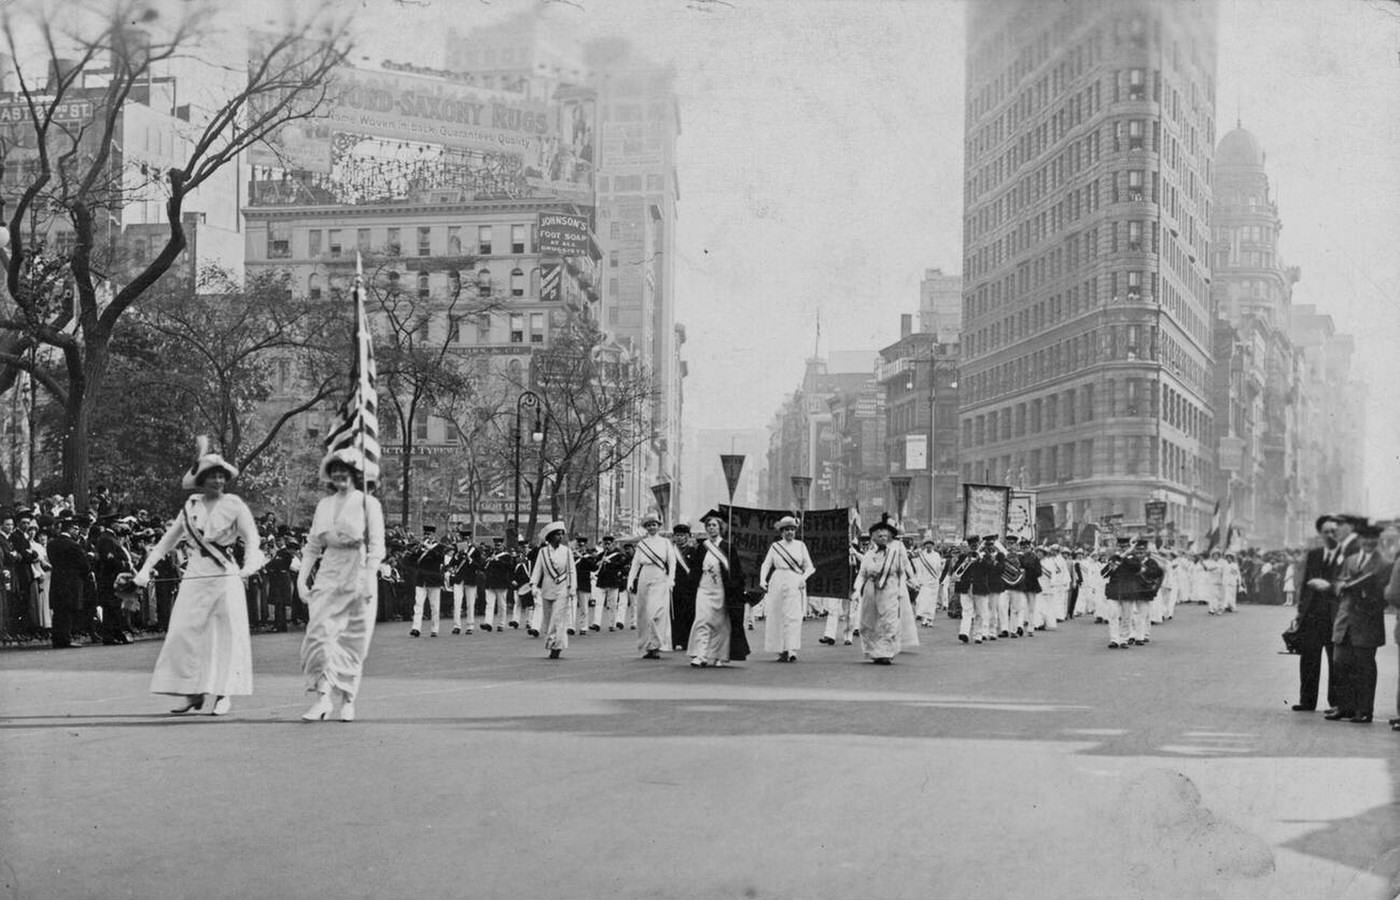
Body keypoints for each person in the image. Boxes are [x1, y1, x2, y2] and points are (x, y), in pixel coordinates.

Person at [133, 438, 265, 716]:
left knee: (225, 634)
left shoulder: (234, 504)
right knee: (184, 632)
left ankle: (223, 694)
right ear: (201, 480)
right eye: (212, 476)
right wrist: (145, 569)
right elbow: (166, 543)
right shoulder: (190, 506)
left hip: (225, 575)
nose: (217, 480)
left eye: (221, 476)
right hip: (195, 573)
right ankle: (193, 692)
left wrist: (250, 563)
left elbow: (251, 536)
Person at [297, 448, 385, 723]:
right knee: (318, 636)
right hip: (328, 575)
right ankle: (322, 698)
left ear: (356, 474)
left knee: (352, 640)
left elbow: (376, 547)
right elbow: (312, 546)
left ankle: (347, 698)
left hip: (358, 575)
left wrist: (370, 579)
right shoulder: (323, 505)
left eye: (345, 470)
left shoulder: (368, 504)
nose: (339, 474)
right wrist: (302, 580)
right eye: (335, 470)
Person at [1324, 524, 1390, 724]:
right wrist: (1340, 586)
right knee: (1340, 664)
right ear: (1359, 539)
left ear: (1377, 540)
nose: (1369, 542)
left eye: (1373, 539)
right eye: (1365, 538)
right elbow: (1337, 583)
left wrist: (1366, 592)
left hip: (1367, 623)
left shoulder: (1385, 564)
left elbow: (1385, 597)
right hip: (1345, 622)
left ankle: (1364, 710)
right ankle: (1344, 707)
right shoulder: (1351, 560)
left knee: (1364, 668)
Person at [1292, 515, 1346, 713]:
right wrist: (1300, 612)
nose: (1331, 535)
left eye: (1334, 531)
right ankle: (1307, 701)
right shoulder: (1314, 555)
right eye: (1326, 532)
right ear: (1320, 534)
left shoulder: (1347, 555)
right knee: (1308, 659)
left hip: (1336, 617)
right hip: (1312, 617)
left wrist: (1329, 587)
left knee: (1336, 661)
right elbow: (1305, 585)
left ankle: (1336, 703)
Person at [854, 515, 919, 664]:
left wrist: (913, 580)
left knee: (888, 621)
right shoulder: (869, 555)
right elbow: (862, 575)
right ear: (873, 537)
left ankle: (886, 653)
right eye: (879, 535)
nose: (883, 537)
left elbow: (905, 566)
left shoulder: (895, 552)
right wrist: (856, 590)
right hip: (871, 591)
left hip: (889, 589)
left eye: (885, 534)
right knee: (869, 622)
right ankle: (874, 651)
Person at [688, 513, 747, 667]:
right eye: (709, 525)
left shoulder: (728, 547)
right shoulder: (702, 547)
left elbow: (736, 571)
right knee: (702, 620)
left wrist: (736, 588)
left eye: (714, 525)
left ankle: (719, 655)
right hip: (704, 588)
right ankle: (700, 655)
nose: (711, 528)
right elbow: (695, 569)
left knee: (720, 623)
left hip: (722, 589)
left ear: (720, 527)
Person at [758, 515, 816, 662]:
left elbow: (810, 567)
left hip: (794, 580)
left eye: (792, 529)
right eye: (786, 530)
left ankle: (791, 649)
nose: (790, 532)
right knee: (776, 614)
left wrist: (803, 578)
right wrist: (762, 579)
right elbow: (766, 564)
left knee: (793, 615)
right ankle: (780, 649)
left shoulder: (800, 545)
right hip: (777, 579)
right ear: (781, 532)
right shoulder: (775, 546)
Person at [627, 514, 679, 659]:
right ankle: (649, 646)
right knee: (644, 613)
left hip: (660, 577)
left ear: (658, 526)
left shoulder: (665, 543)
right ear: (645, 527)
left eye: (654, 524)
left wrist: (671, 579)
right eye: (649, 525)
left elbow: (672, 562)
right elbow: (635, 564)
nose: (651, 527)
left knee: (655, 613)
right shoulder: (642, 544)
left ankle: (657, 644)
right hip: (645, 576)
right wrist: (630, 581)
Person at [529, 522, 576, 659]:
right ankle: (552, 642)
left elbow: (571, 570)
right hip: (547, 588)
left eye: (561, 534)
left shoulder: (566, 551)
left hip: (562, 588)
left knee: (558, 618)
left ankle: (557, 645)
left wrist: (572, 587)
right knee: (549, 619)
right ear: (550, 537)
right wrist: (533, 585)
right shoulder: (543, 552)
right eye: (557, 534)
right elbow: (537, 569)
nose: (560, 536)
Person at [46, 514, 92, 649]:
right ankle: (65, 639)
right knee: (67, 612)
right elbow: (84, 565)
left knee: (59, 612)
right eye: (76, 529)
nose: (77, 532)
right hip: (72, 582)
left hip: (57, 580)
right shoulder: (73, 545)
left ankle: (57, 639)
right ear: (71, 529)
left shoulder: (52, 544)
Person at [406, 526, 451, 637]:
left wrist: (429, 548)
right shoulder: (420, 547)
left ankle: (435, 629)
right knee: (418, 604)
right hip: (421, 579)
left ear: (433, 535)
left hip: (434, 579)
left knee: (434, 606)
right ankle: (416, 628)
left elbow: (440, 558)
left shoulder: (440, 547)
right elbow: (411, 561)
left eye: (429, 534)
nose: (427, 536)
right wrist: (414, 551)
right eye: (426, 534)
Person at [670, 523, 700, 651]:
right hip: (674, 587)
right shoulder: (670, 551)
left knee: (688, 614)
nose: (680, 538)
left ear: (688, 536)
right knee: (673, 614)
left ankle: (686, 640)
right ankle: (673, 640)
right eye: (677, 535)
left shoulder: (693, 551)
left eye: (683, 535)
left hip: (689, 588)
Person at [911, 535, 944, 627]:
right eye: (927, 544)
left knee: (932, 601)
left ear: (933, 545)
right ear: (925, 545)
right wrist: (918, 580)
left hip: (934, 581)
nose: (928, 546)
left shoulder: (936, 555)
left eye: (930, 544)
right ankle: (924, 618)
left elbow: (939, 568)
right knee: (924, 600)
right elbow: (918, 568)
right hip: (924, 581)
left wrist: (938, 578)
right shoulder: (921, 556)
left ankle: (930, 619)